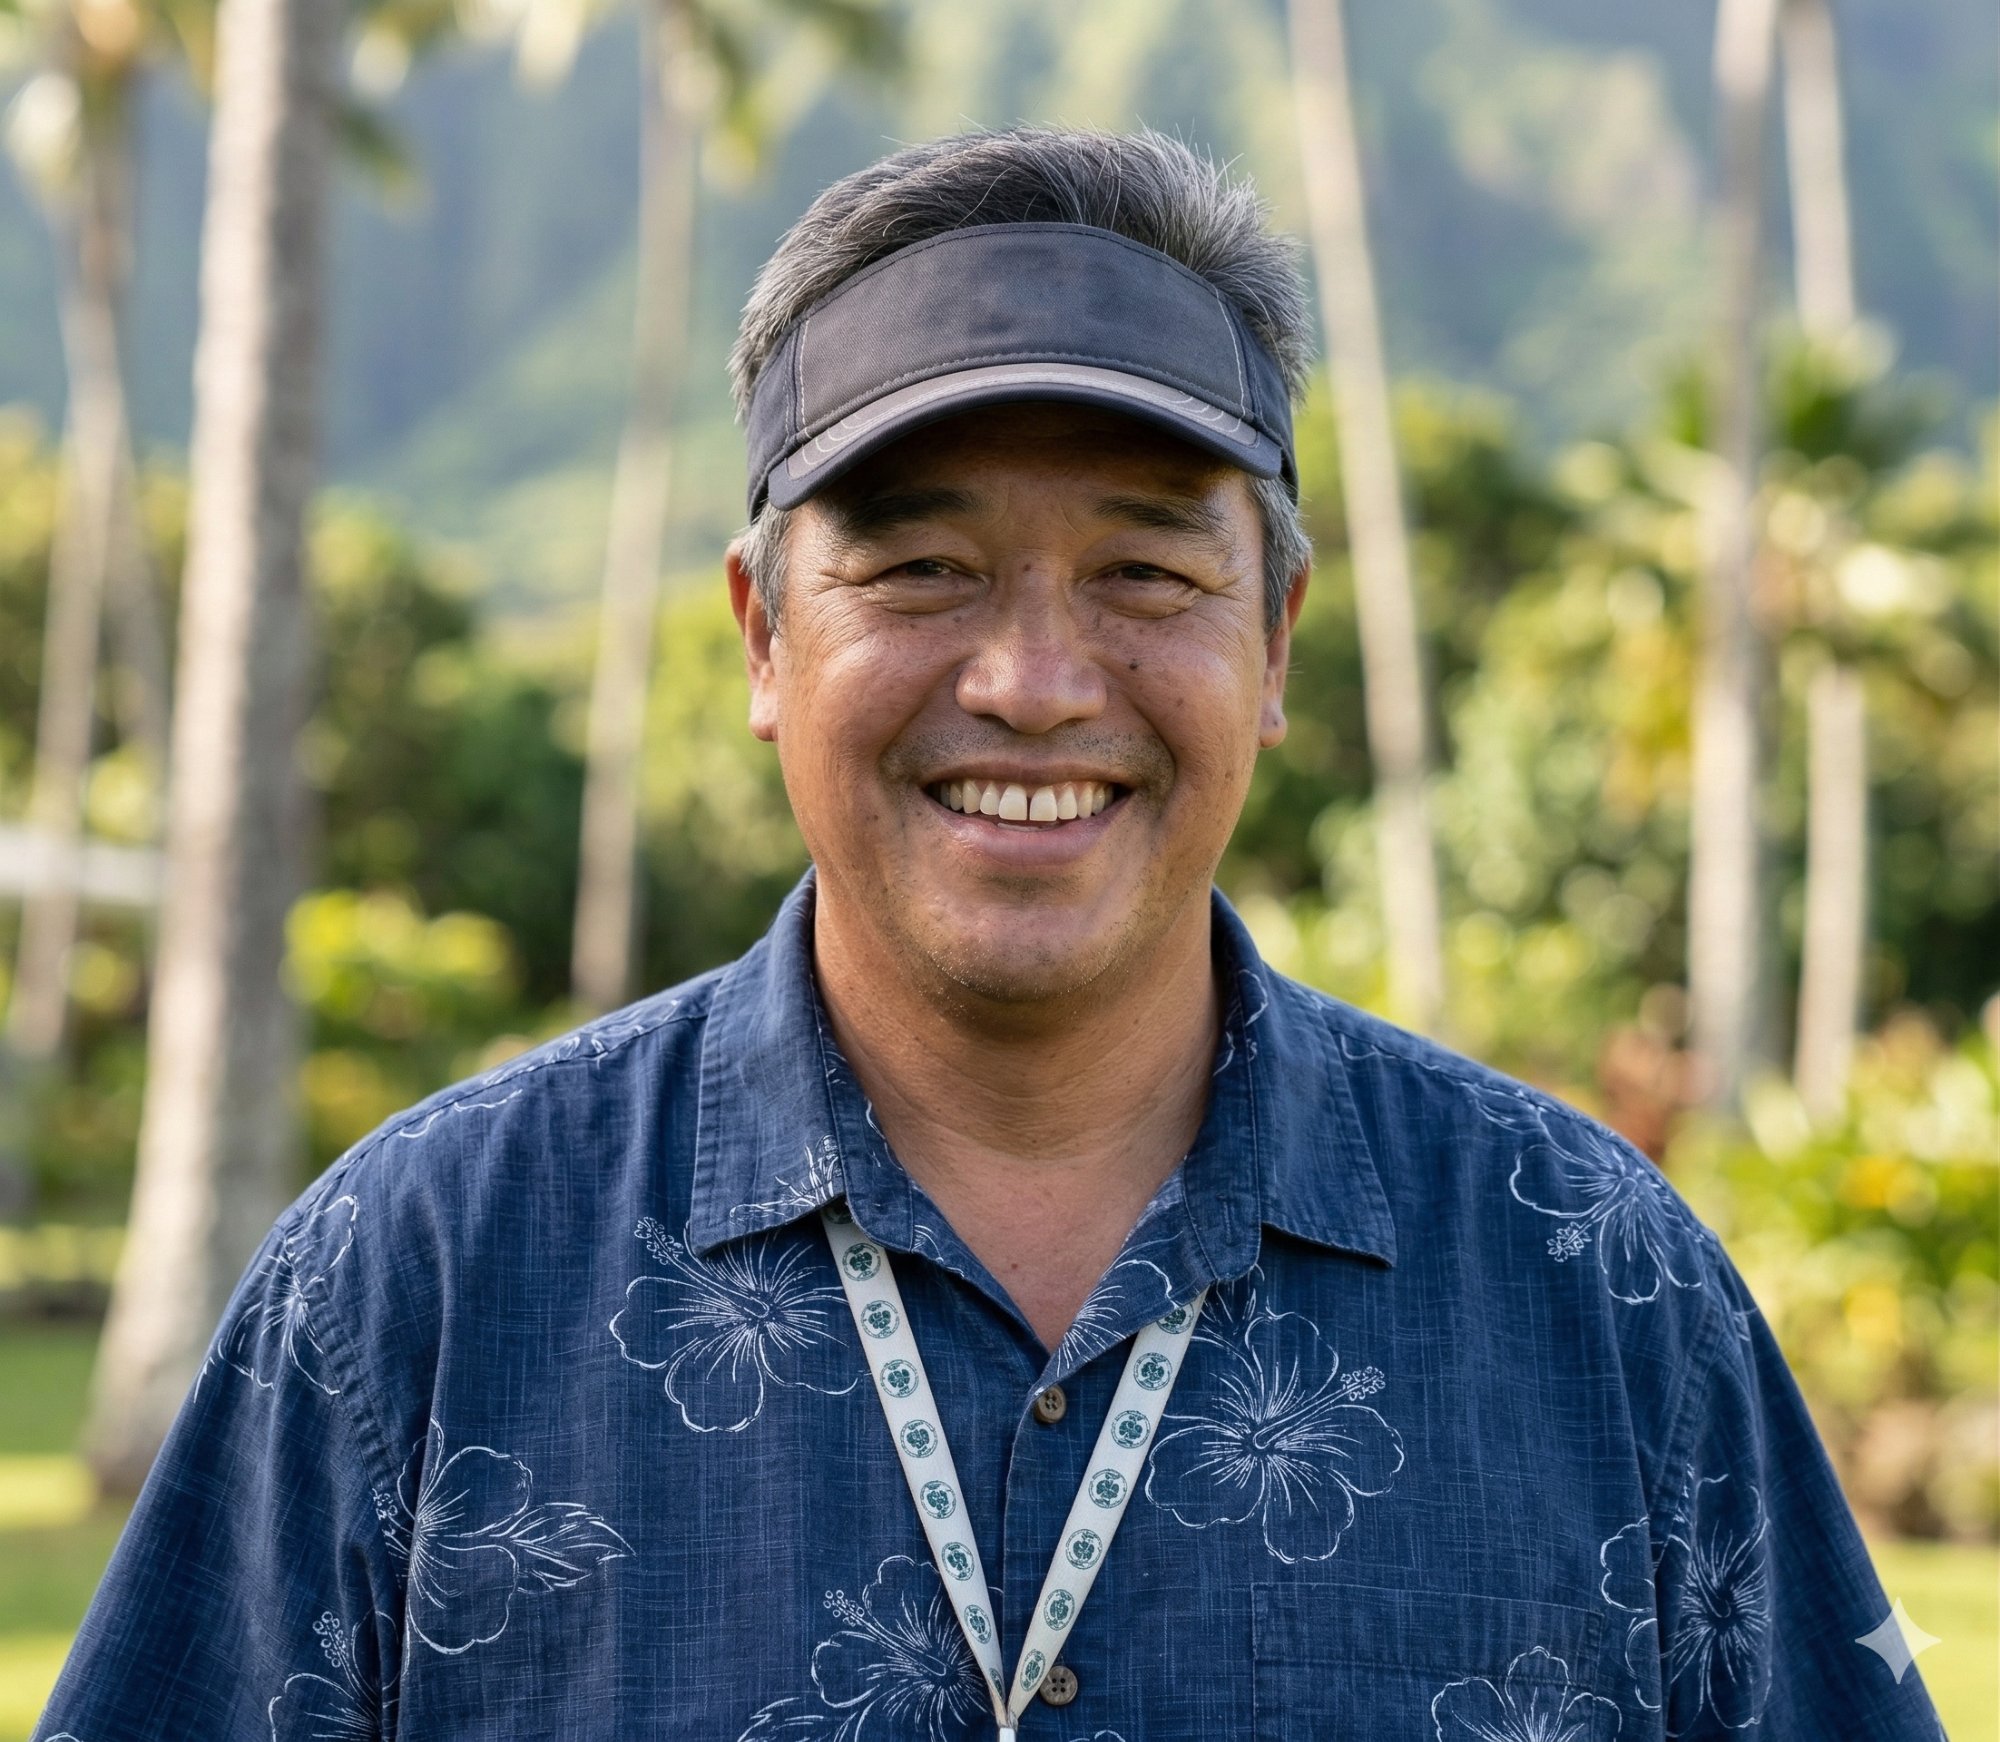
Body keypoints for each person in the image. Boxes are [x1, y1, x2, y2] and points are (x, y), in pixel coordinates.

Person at [39, 125, 1941, 1742]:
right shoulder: (419, 1286)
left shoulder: (1598, 1292)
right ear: (764, 634)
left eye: (1142, 570)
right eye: (922, 566)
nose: (1034, 682)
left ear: (1272, 644)